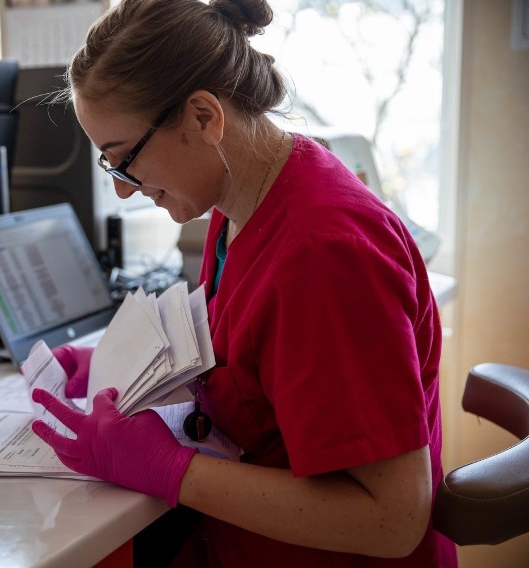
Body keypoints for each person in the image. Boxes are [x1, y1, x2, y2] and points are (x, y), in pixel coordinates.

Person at [28, 0, 458, 565]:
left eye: (122, 159)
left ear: (204, 117)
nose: (124, 190)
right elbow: (252, 359)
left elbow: (392, 518)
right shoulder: (240, 202)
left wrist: (168, 469)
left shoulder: (324, 254)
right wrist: (119, 367)